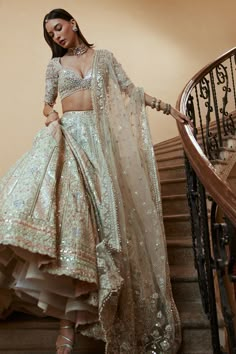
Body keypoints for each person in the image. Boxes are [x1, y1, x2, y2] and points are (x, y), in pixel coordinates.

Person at [0, 8, 192, 354]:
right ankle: (66, 327)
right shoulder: (54, 67)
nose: (56, 37)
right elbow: (45, 105)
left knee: (102, 233)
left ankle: (92, 317)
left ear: (72, 23)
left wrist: (168, 108)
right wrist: (53, 115)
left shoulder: (104, 58)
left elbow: (130, 92)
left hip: (101, 148)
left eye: (58, 29)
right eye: (50, 35)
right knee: (75, 231)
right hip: (70, 142)